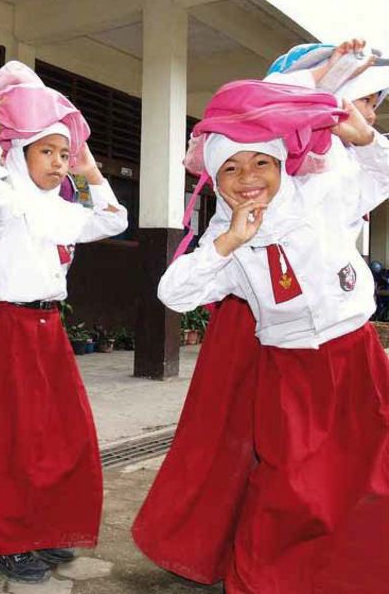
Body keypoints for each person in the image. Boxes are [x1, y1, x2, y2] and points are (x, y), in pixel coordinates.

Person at [132, 40, 389, 587]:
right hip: (290, 370)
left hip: (356, 355)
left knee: (370, 478)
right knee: (290, 487)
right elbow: (173, 294)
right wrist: (225, 243)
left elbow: (379, 175)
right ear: (216, 182)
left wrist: (364, 135)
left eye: (262, 163)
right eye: (231, 169)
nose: (248, 178)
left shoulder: (319, 194)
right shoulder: (226, 239)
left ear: (282, 164)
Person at [0, 100, 128, 583]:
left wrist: (92, 173)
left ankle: (43, 527)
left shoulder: (61, 208)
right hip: (12, 327)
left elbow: (114, 220)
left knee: (60, 433)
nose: (59, 161)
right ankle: (2, 543)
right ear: (20, 154)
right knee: (12, 438)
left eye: (64, 153)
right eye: (48, 152)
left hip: (50, 328)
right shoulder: (8, 201)